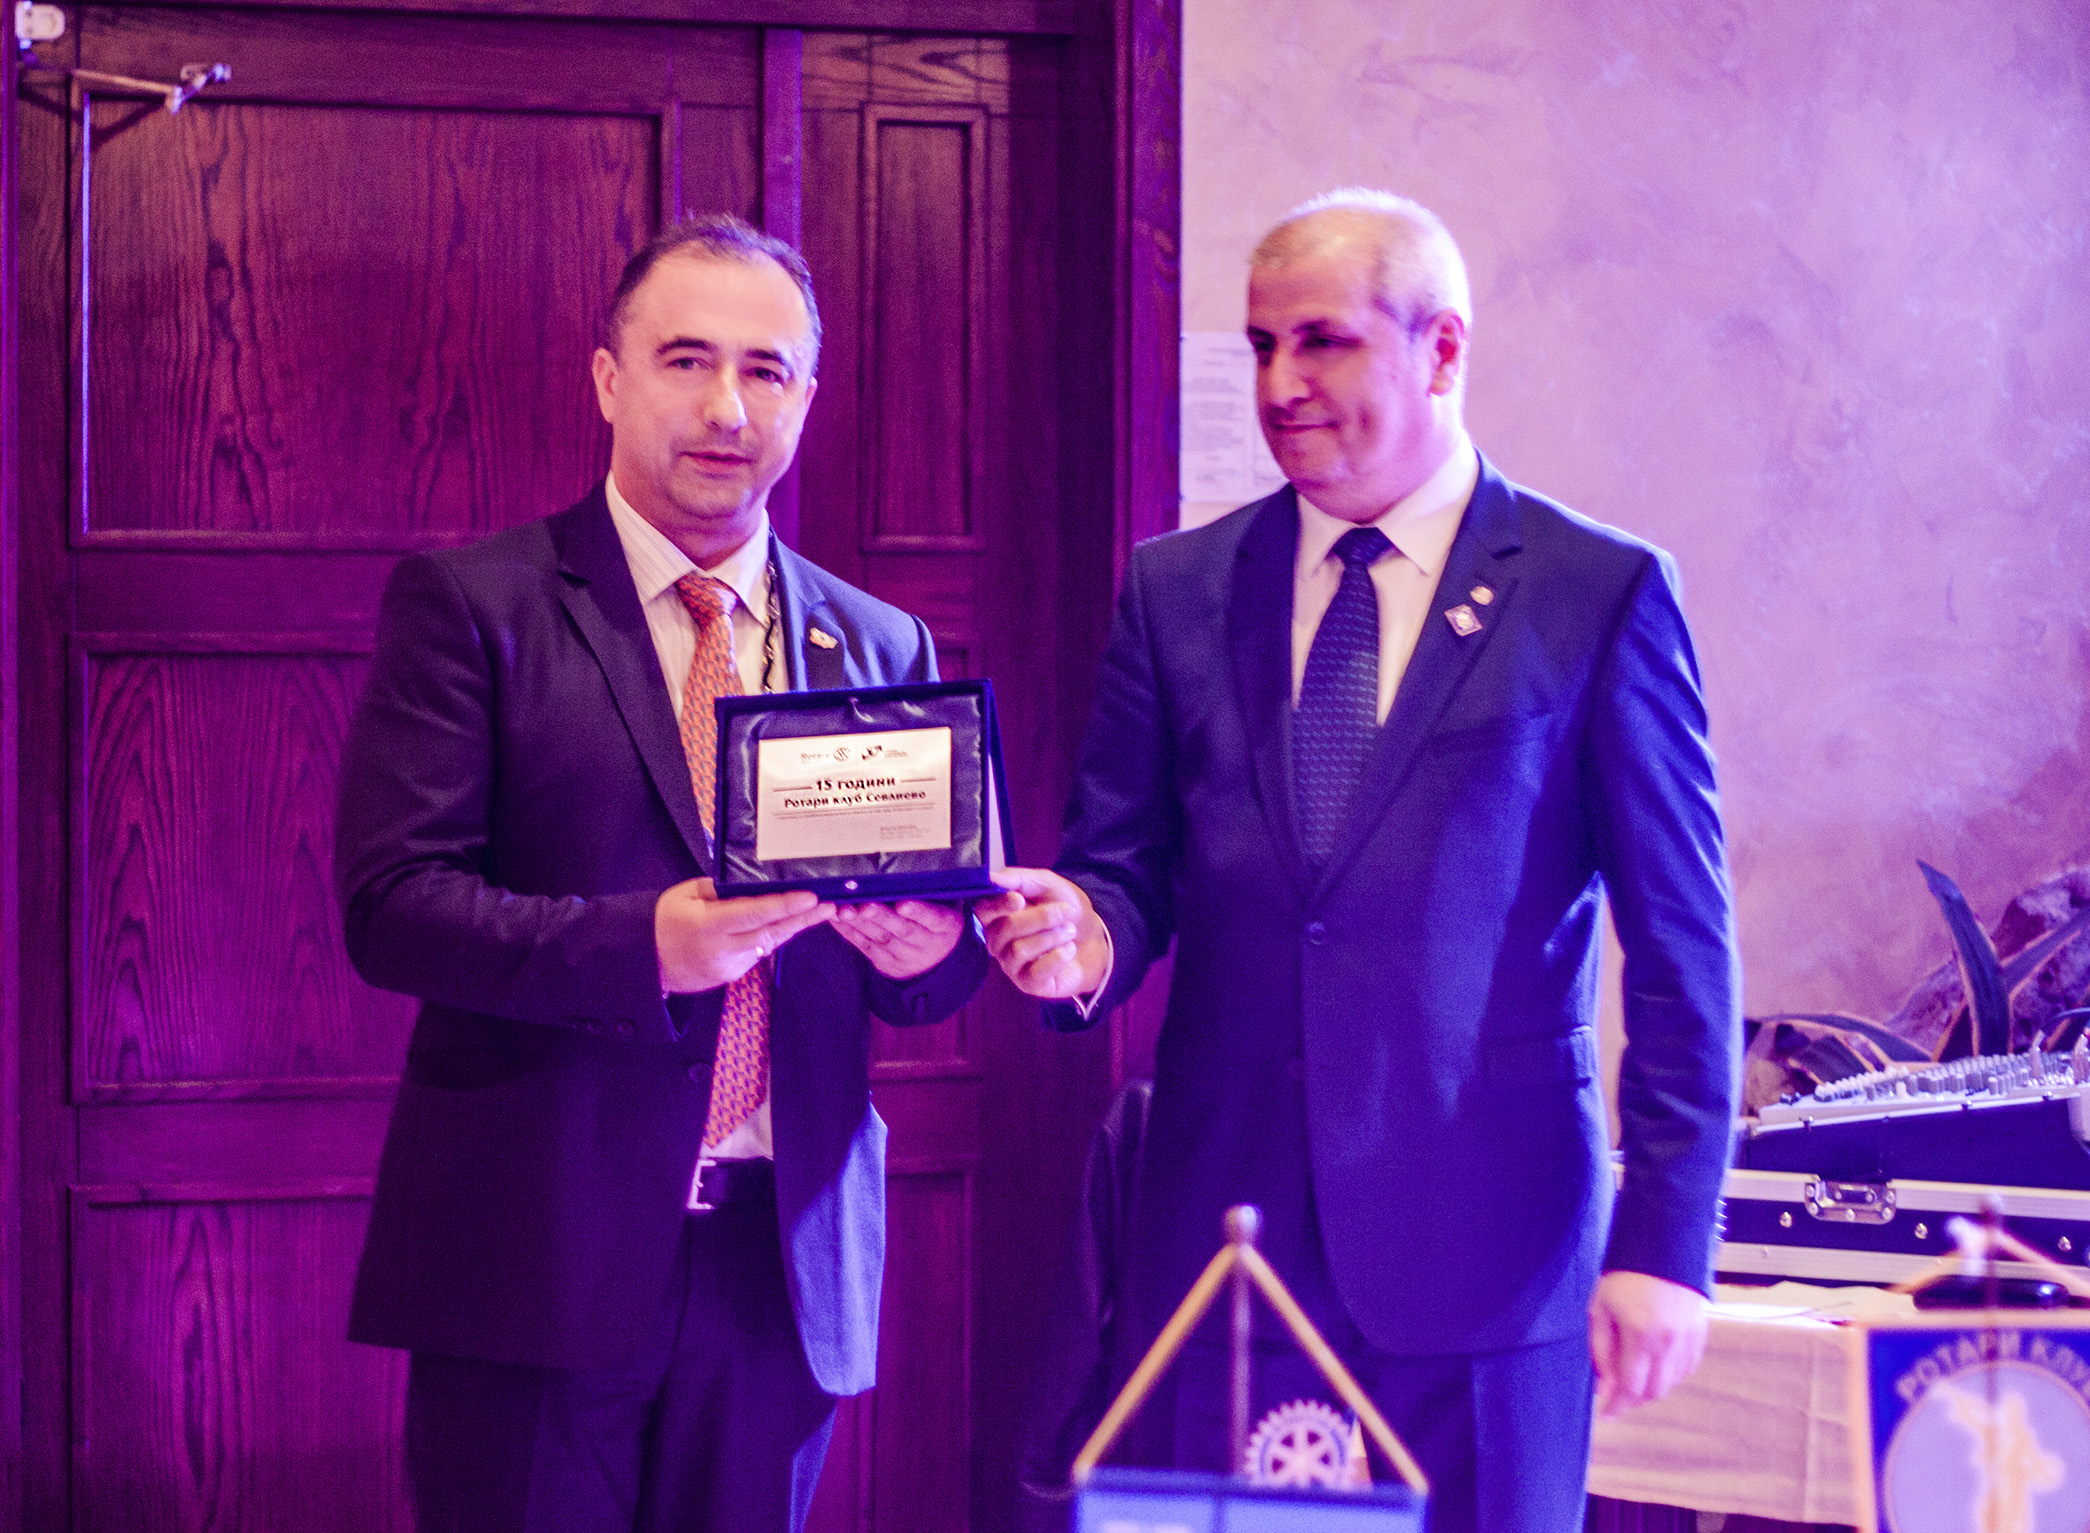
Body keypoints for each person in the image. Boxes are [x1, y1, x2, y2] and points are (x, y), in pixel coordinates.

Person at [982, 189, 1739, 1532]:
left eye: (1322, 341)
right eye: (1261, 345)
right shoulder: (1176, 590)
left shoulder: (1594, 593)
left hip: (1490, 1257)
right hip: (1226, 1253)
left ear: (1441, 350)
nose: (1280, 384)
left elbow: (1683, 947)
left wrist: (1667, 1242)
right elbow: (1122, 867)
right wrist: (1082, 938)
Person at [336, 214, 986, 1533]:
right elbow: (393, 907)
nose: (727, 406)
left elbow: (932, 961)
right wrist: (642, 948)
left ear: (806, 398)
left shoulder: (881, 642)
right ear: (608, 379)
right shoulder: (476, 606)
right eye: (687, 360)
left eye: (766, 370)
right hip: (535, 1254)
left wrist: (934, 954)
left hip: (776, 1269)